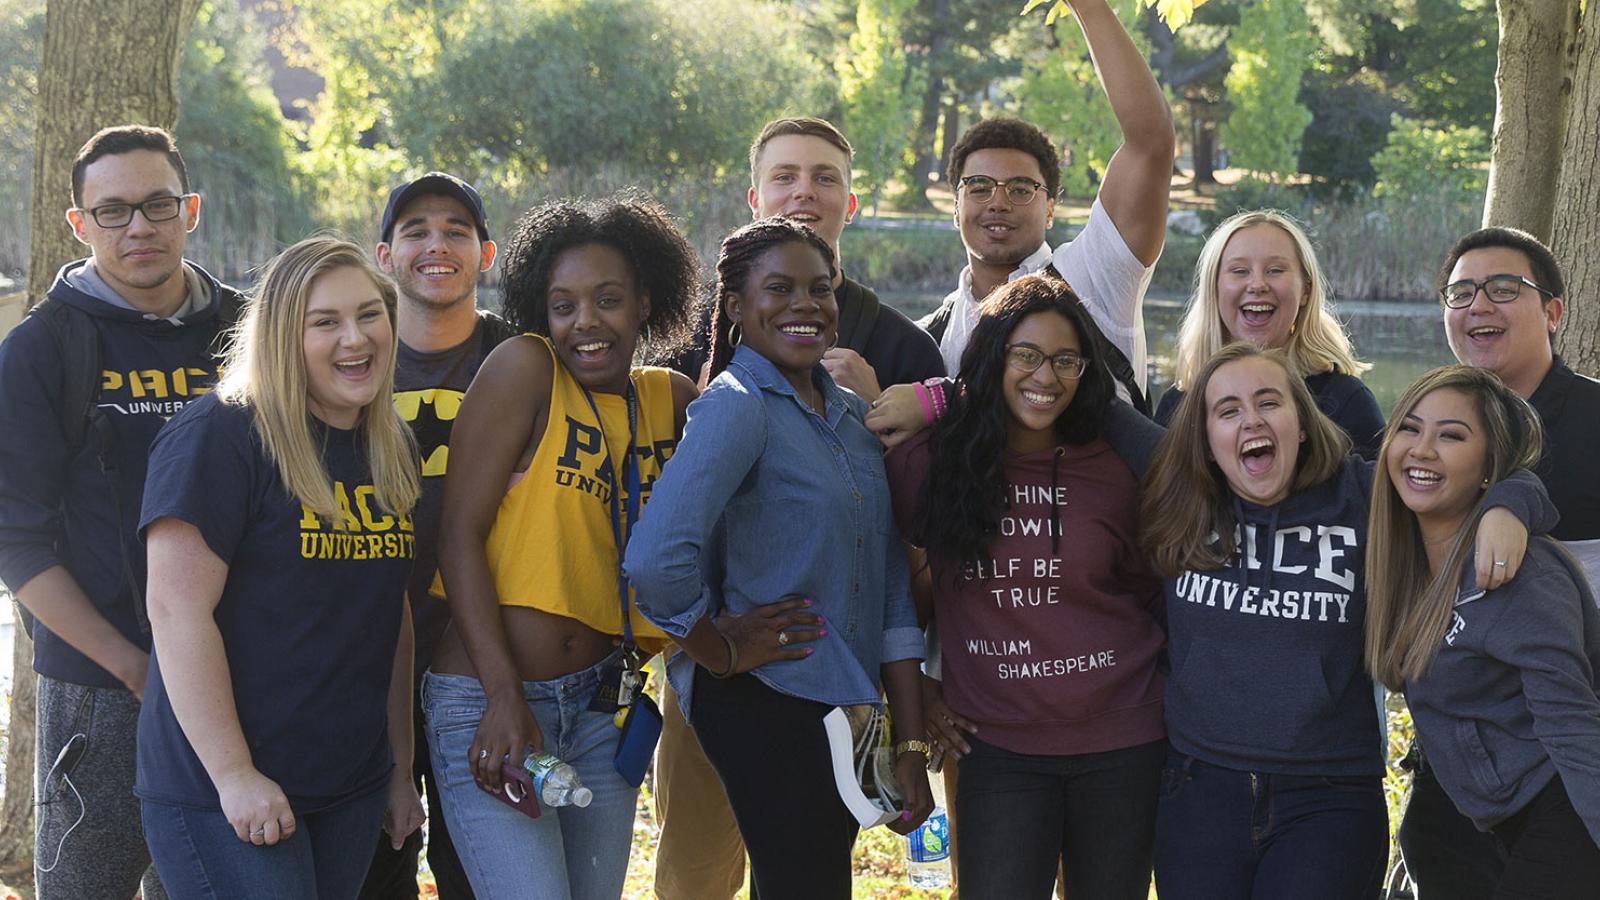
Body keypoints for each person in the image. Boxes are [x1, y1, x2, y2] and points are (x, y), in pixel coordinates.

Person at [654, 113, 947, 900]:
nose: (804, 305)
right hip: (757, 693)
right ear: (739, 306)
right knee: (706, 876)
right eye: (780, 291)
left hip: (842, 703)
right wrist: (712, 645)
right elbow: (654, 559)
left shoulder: (854, 409)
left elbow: (893, 572)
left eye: (819, 291)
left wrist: (910, 735)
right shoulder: (735, 399)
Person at [1135, 343, 1543, 900]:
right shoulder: (1181, 501)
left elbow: (1461, 471)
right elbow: (1095, 414)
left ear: (1302, 423)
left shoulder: (1362, 495)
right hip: (1199, 788)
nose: (1250, 419)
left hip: (1328, 794)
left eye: (1269, 402)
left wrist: (1511, 502)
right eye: (1227, 411)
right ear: (1207, 444)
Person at [423, 193, 701, 900]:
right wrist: (504, 696)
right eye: (563, 304)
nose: (586, 322)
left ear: (644, 302)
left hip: (604, 711)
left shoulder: (673, 400)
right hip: (494, 700)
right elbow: (456, 537)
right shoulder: (527, 370)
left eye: (607, 299)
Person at [137, 236, 425, 899]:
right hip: (225, 788)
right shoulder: (220, 434)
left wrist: (399, 766)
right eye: (324, 321)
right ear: (280, 335)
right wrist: (236, 775)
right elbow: (177, 613)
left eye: (369, 314)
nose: (355, 338)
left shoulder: (387, 446)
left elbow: (389, 612)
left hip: (348, 786)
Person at [0, 124, 240, 900]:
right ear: (78, 223)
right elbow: (18, 546)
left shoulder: (251, 332)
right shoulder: (41, 349)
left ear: (190, 210)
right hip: (101, 689)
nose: (139, 226)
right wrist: (134, 667)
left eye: (157, 205)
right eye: (112, 211)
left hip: (240, 674)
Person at [885, 275, 1166, 899]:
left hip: (1123, 738)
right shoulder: (929, 461)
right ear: (994, 358)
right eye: (1027, 355)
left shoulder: (1116, 467)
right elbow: (889, 588)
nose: (1048, 376)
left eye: (1067, 360)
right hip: (998, 745)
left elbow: (1153, 590)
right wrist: (921, 692)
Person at [1398, 226, 1600, 898]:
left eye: (1503, 288)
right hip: (1463, 762)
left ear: (1553, 311)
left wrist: (1515, 501)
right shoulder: (1422, 442)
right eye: (1460, 292)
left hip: (1574, 750)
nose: (1478, 304)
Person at [358, 171, 510, 900]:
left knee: (476, 869)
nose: (436, 244)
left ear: (486, 253)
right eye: (415, 230)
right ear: (383, 256)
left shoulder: (527, 359)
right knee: (374, 866)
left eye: (456, 230)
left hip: (483, 661)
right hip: (363, 659)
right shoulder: (348, 359)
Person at [918, 0, 1173, 409]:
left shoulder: (1094, 279)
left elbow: (1151, 142)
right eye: (979, 186)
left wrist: (1088, 6)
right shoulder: (926, 338)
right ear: (956, 205)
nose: (998, 202)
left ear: (1050, 208)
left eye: (1021, 189)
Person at [1154, 209, 1383, 456]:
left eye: (1275, 270)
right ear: (1214, 289)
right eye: (1240, 271)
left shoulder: (1347, 401)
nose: (1258, 285)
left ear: (1306, 290)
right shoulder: (1177, 405)